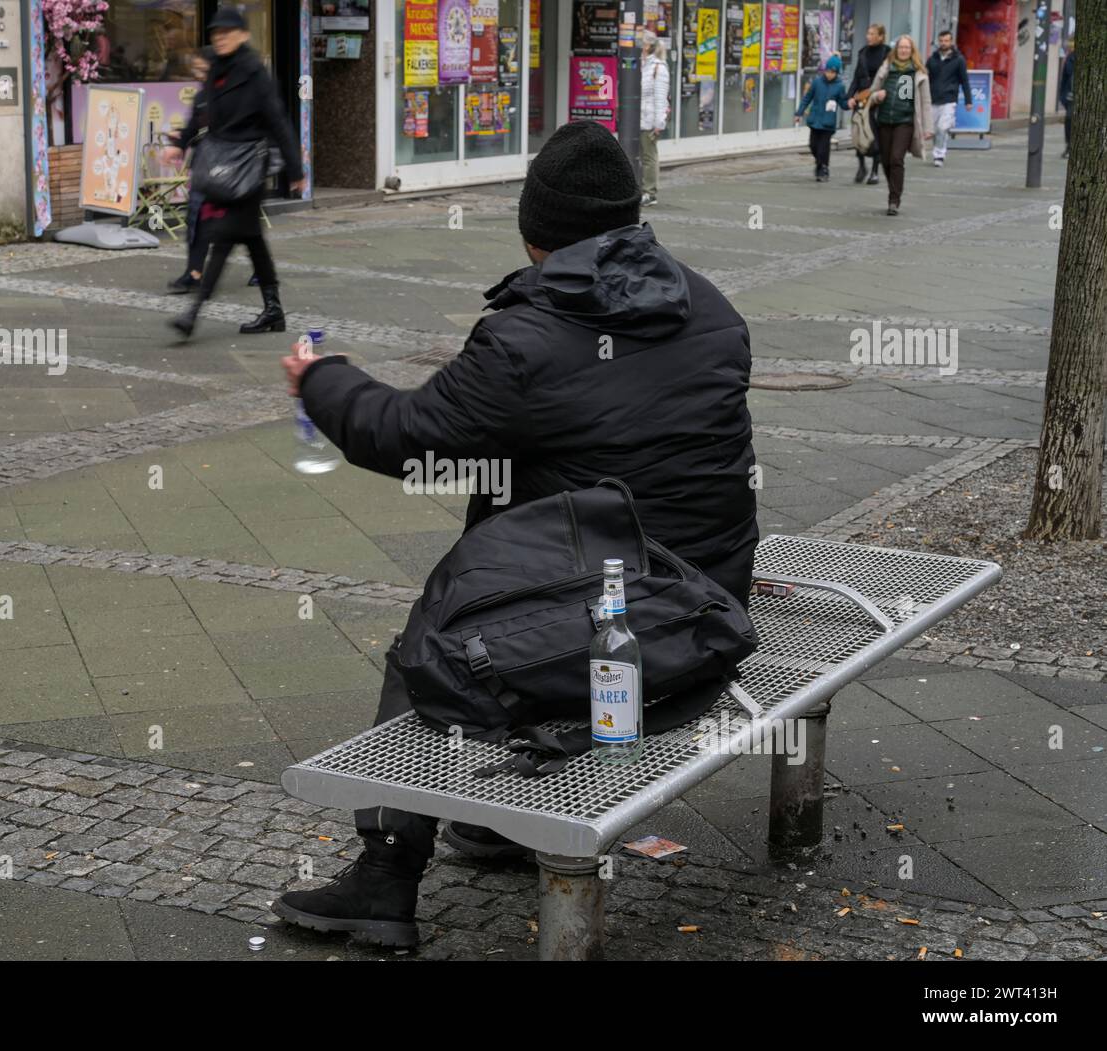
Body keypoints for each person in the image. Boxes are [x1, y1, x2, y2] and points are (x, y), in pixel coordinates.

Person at [273, 120, 759, 948]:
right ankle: (496, 823)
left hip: (621, 631)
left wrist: (323, 379)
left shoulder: (530, 339)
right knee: (533, 599)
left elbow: (407, 435)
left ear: (532, 230)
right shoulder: (709, 304)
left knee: (433, 652)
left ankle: (382, 884)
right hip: (710, 597)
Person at [161, 6, 305, 338]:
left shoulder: (255, 73)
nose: (221, 38)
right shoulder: (216, 70)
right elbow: (199, 113)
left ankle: (192, 314)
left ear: (243, 35)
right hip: (222, 164)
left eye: (227, 32)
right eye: (216, 33)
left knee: (223, 238)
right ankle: (273, 310)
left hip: (248, 169)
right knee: (253, 240)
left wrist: (294, 168)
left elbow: (278, 121)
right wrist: (179, 144)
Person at [869, 35, 932, 216]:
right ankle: (893, 189)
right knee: (887, 160)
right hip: (885, 121)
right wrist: (876, 96)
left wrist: (928, 128)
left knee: (897, 158)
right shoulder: (887, 69)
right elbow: (872, 94)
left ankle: (894, 199)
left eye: (907, 48)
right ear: (896, 50)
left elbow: (925, 102)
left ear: (912, 51)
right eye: (901, 47)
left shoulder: (917, 72)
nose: (904, 50)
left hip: (904, 122)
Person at [167, 48, 212, 296]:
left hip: (228, 170)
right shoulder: (202, 96)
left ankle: (261, 270)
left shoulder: (229, 93)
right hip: (203, 168)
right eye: (195, 68)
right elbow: (194, 127)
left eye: (201, 68)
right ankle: (194, 272)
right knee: (195, 219)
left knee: (240, 227)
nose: (197, 73)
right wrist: (179, 143)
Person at [794, 55, 849, 182]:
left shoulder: (840, 86)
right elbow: (807, 98)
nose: (830, 74)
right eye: (828, 71)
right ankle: (819, 164)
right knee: (813, 145)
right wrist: (799, 113)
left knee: (823, 148)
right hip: (815, 120)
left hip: (828, 123)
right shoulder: (817, 82)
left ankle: (824, 168)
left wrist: (849, 104)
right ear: (825, 70)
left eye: (833, 72)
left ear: (837, 73)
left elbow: (843, 103)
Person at [849, 24, 890, 184]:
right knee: (858, 130)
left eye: (872, 34)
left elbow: (890, 77)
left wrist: (884, 93)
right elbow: (856, 76)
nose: (868, 36)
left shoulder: (887, 53)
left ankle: (874, 171)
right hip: (861, 96)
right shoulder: (862, 52)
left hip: (877, 98)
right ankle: (861, 166)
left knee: (874, 134)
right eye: (868, 33)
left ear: (881, 36)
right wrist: (850, 96)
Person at [926, 28, 972, 167]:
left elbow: (964, 80)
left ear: (951, 42)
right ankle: (938, 150)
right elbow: (925, 77)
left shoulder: (958, 60)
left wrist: (968, 101)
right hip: (933, 98)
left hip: (949, 99)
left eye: (946, 41)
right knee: (934, 130)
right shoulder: (932, 59)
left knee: (942, 128)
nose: (943, 43)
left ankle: (939, 155)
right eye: (941, 41)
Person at [639, 30, 670, 206]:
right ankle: (640, 189)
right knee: (638, 155)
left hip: (650, 120)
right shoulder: (641, 65)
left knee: (649, 157)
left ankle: (649, 192)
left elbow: (660, 97)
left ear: (647, 46)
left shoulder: (658, 68)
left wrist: (659, 123)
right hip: (638, 119)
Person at [1059, 38, 1074, 159]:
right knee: (1069, 119)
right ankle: (1069, 146)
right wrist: (1063, 97)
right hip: (1071, 96)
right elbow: (1065, 78)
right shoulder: (1070, 58)